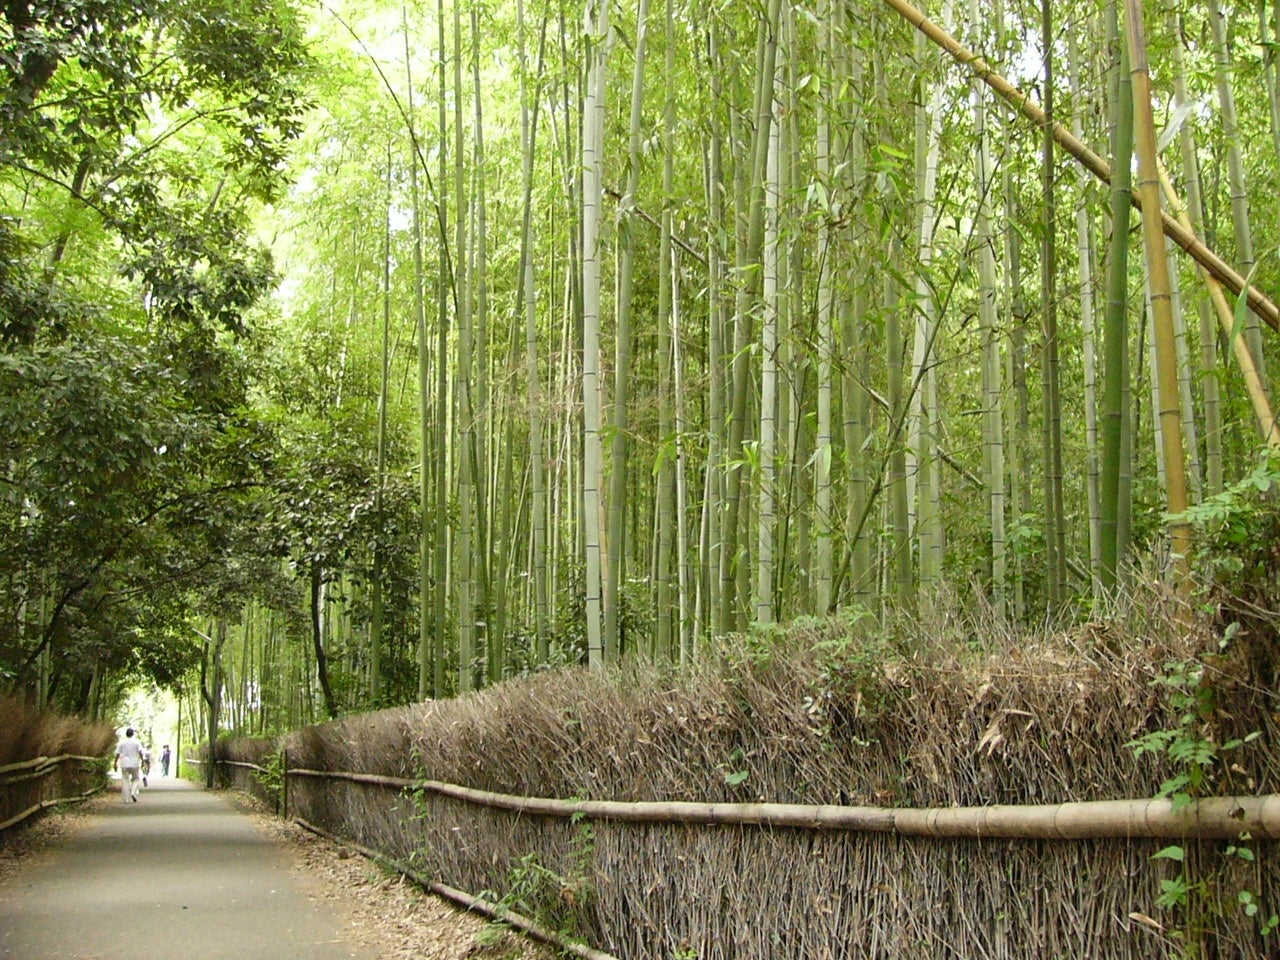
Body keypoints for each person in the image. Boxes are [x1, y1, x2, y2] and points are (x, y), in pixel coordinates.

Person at [114, 728, 144, 803]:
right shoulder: (137, 742)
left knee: (125, 781)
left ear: (126, 734)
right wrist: (142, 760)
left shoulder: (122, 742)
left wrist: (115, 762)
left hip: (124, 763)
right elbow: (140, 752)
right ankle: (133, 792)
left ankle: (126, 799)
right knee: (136, 779)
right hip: (134, 763)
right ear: (133, 734)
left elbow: (117, 753)